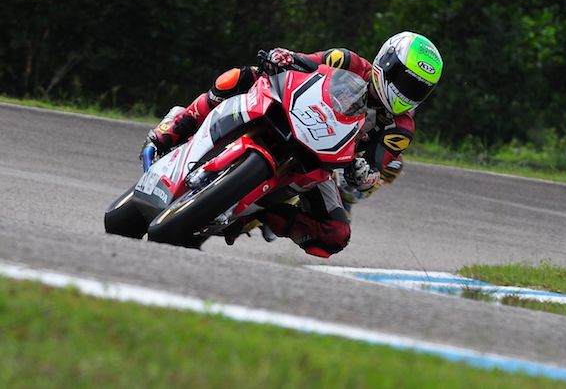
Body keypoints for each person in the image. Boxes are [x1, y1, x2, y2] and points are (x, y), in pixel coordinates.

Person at [145, 31, 443, 257]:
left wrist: (366, 174)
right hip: (295, 116)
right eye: (406, 81)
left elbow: (376, 165)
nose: (408, 93)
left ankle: (259, 214)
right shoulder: (349, 62)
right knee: (242, 76)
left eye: (419, 89)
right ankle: (177, 125)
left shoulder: (400, 128)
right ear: (386, 63)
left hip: (323, 163)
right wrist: (284, 57)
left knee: (336, 234)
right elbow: (308, 61)